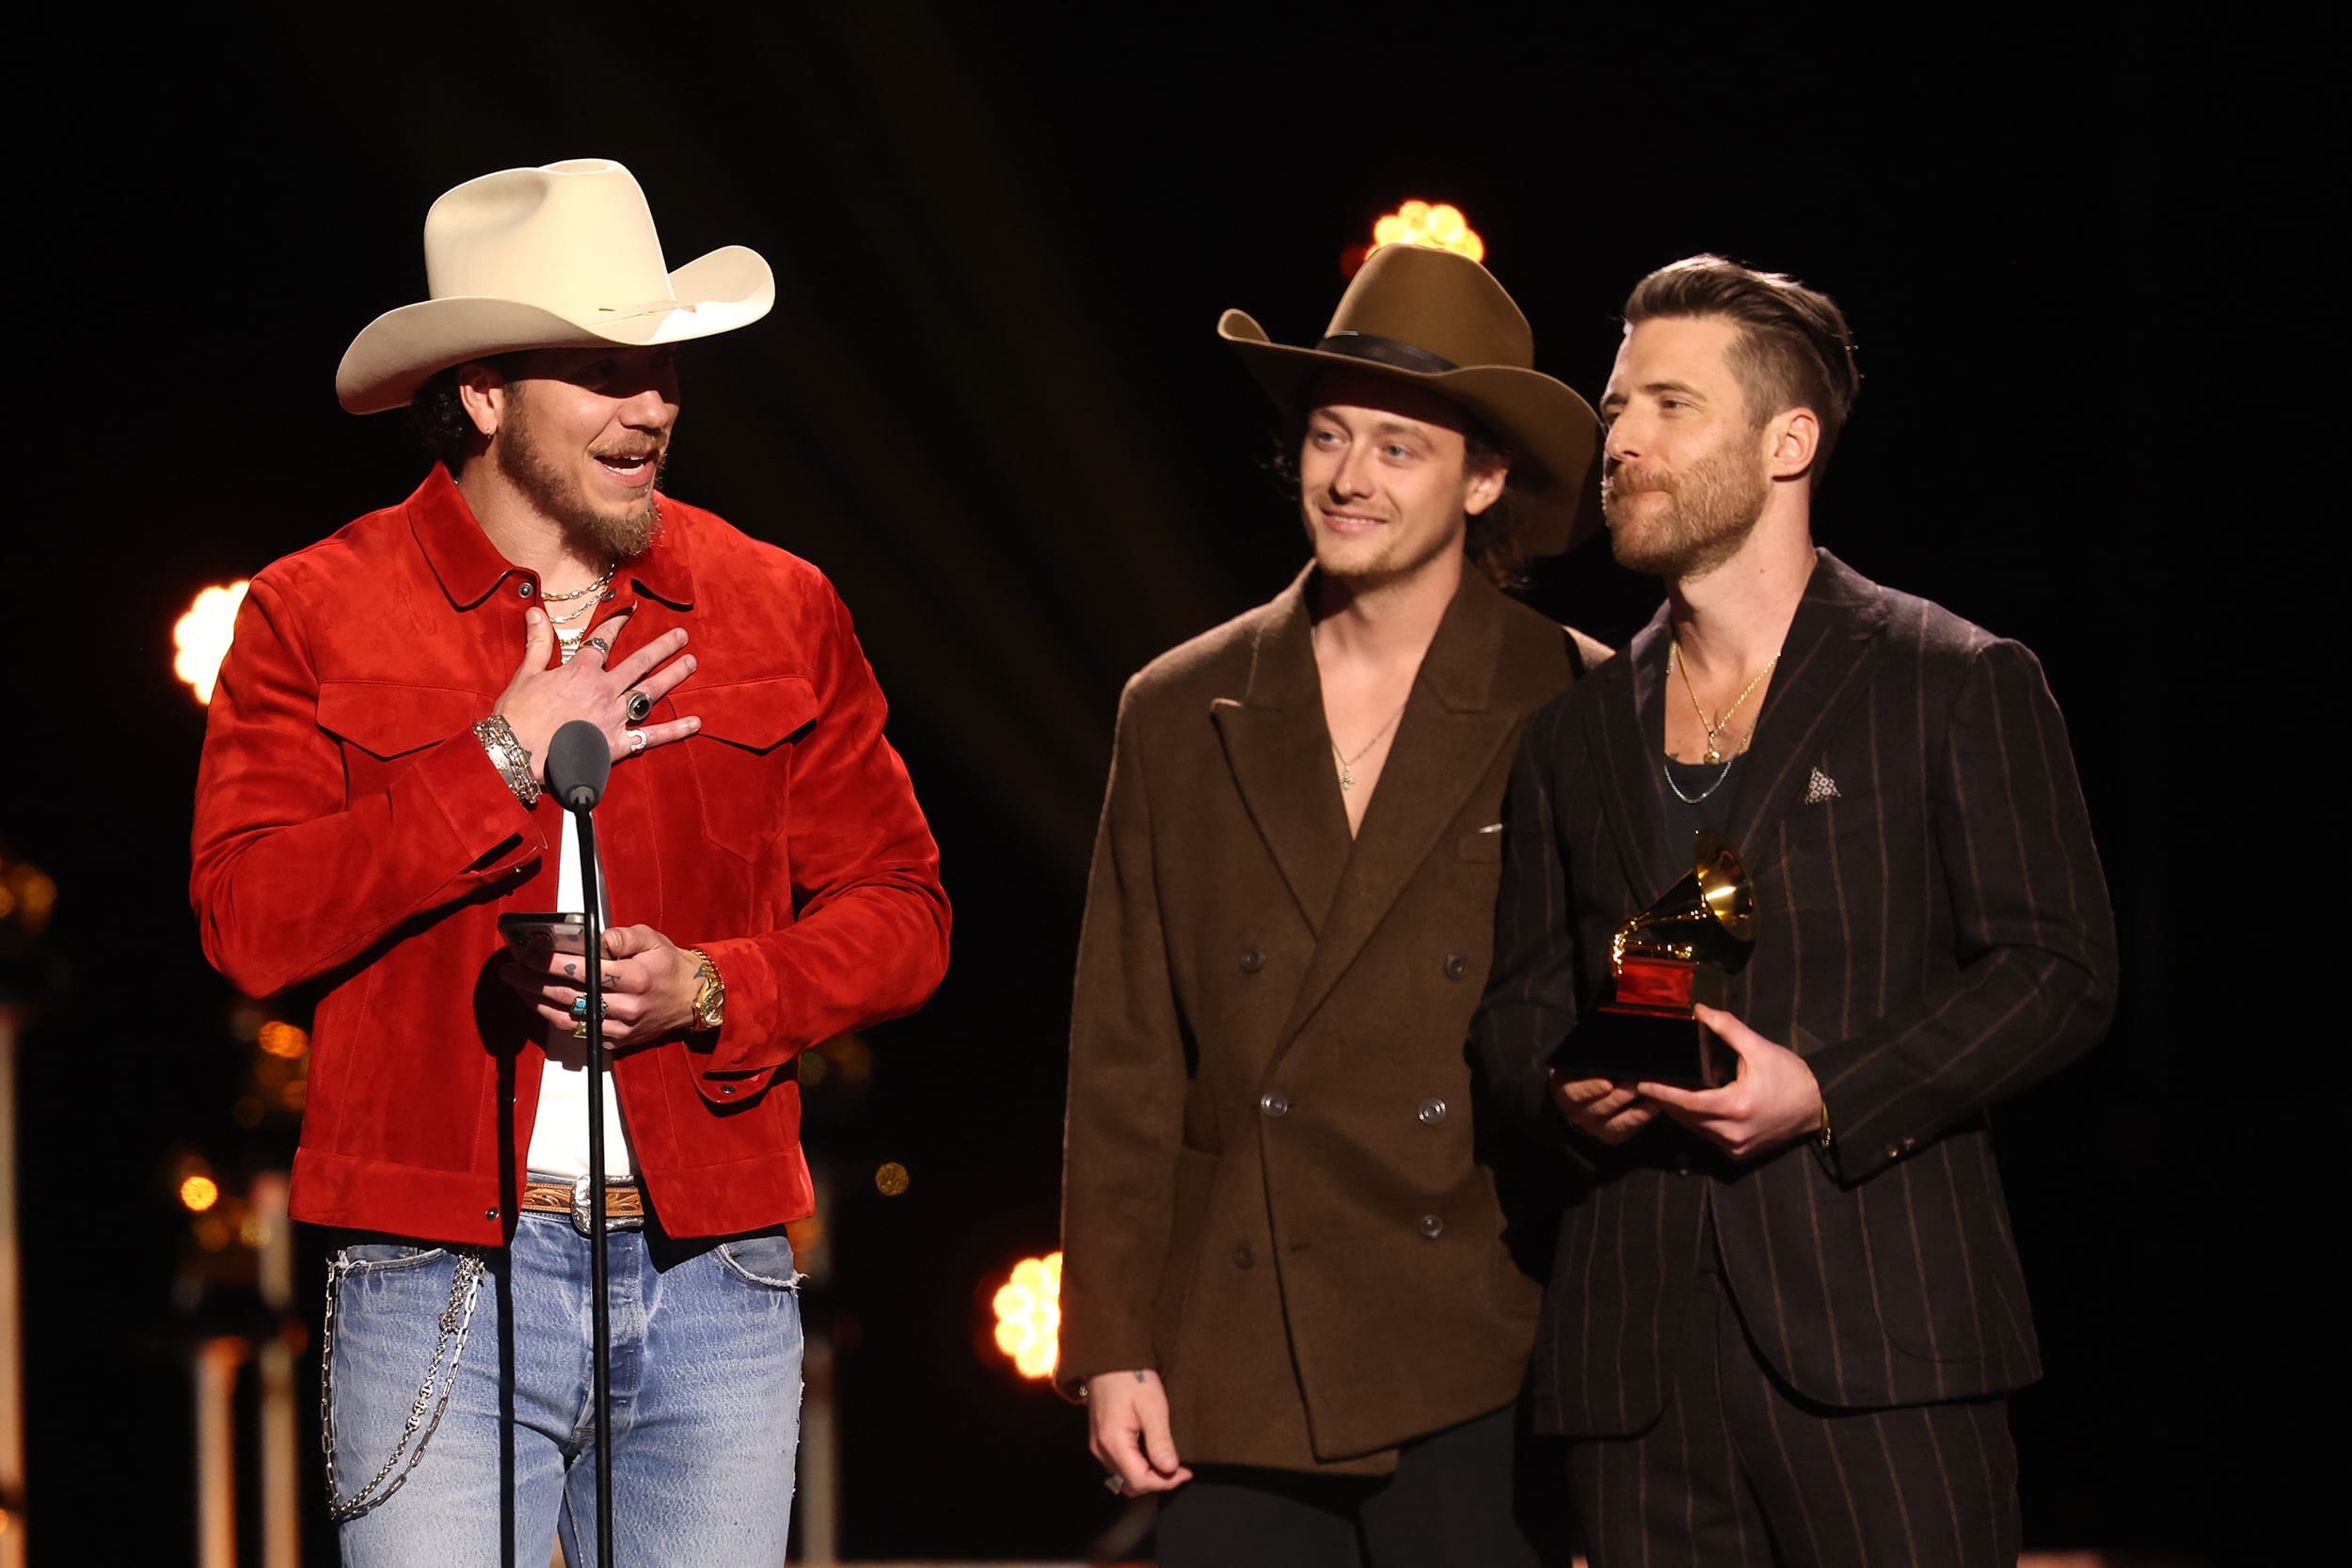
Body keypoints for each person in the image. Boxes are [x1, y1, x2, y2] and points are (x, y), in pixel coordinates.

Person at [189, 158, 950, 1566]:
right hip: (438, 1280)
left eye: (658, 365)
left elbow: (906, 913)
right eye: (600, 369)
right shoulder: (315, 613)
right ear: (480, 392)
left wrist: (714, 987)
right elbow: (247, 921)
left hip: (713, 1273)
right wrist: (491, 760)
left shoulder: (776, 606)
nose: (650, 404)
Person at [1475, 255, 2118, 1567]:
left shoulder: (1954, 678)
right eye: (1616, 406)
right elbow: (1521, 1002)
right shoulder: (1573, 731)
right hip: (1634, 1362)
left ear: (1789, 441)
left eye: (1669, 405)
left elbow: (2056, 969)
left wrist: (1822, 1092)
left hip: (1879, 1337)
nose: (1623, 440)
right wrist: (1558, 1088)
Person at [1057, 242, 1611, 1566]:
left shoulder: (1580, 700)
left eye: (1400, 448)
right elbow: (1126, 1053)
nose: (1350, 478)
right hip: (1237, 1343)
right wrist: (1113, 1341)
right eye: (1328, 436)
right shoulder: (1182, 706)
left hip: (1488, 1327)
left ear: (1485, 480)